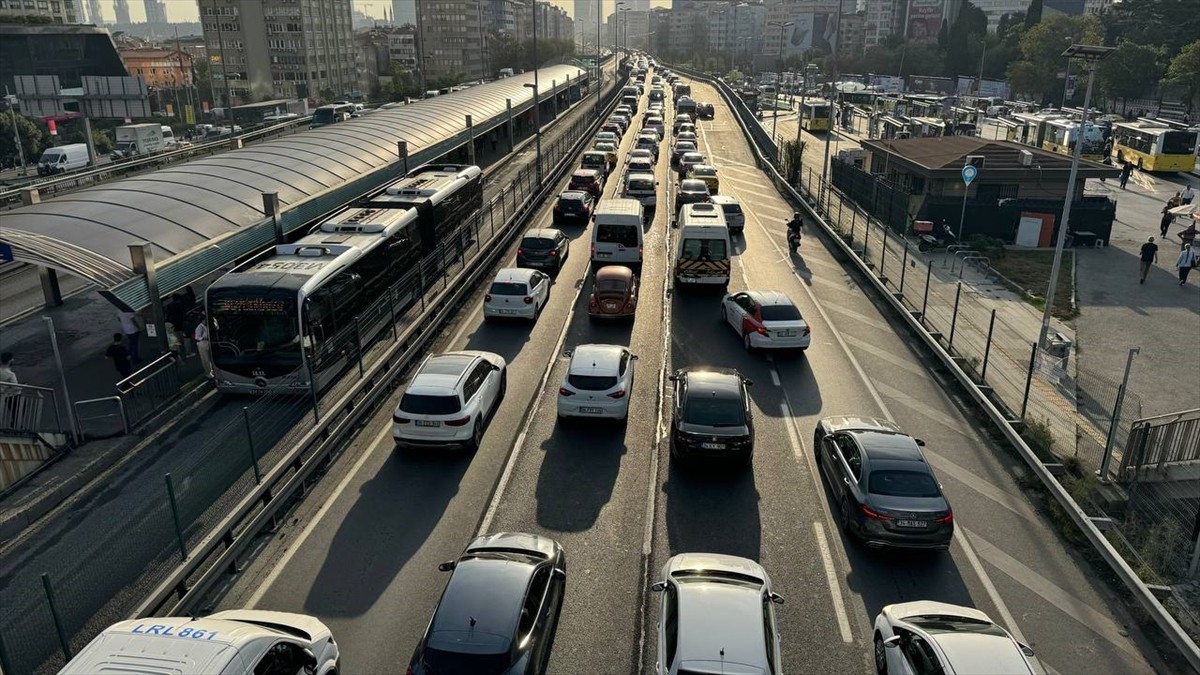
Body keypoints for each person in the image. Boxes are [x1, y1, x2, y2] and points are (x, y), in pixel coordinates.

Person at [0, 352, 19, 426]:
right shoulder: (10, 374)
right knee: (17, 410)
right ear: (10, 361)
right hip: (6, 395)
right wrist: (23, 386)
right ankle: (15, 425)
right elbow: (16, 387)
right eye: (12, 359)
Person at [194, 313, 213, 377]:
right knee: (205, 359)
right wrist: (204, 338)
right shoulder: (199, 327)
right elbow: (196, 337)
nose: (206, 321)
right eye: (205, 320)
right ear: (202, 320)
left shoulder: (206, 326)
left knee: (208, 358)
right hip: (202, 345)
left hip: (207, 344)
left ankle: (210, 370)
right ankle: (208, 372)